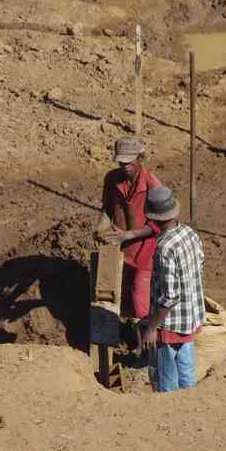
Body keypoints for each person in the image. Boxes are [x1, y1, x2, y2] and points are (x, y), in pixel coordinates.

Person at [139, 187, 205, 393]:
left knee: (166, 379)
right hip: (190, 317)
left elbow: (169, 296)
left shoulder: (164, 247)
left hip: (170, 324)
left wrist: (151, 328)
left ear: (153, 218)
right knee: (187, 372)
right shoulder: (189, 233)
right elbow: (200, 265)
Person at [97, 137, 164, 320]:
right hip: (118, 249)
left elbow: (159, 223)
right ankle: (121, 337)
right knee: (112, 296)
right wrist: (100, 227)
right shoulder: (112, 179)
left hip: (145, 252)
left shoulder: (152, 185)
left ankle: (146, 344)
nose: (124, 165)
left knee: (140, 300)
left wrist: (128, 234)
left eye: (129, 161)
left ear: (139, 158)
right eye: (121, 161)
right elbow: (108, 208)